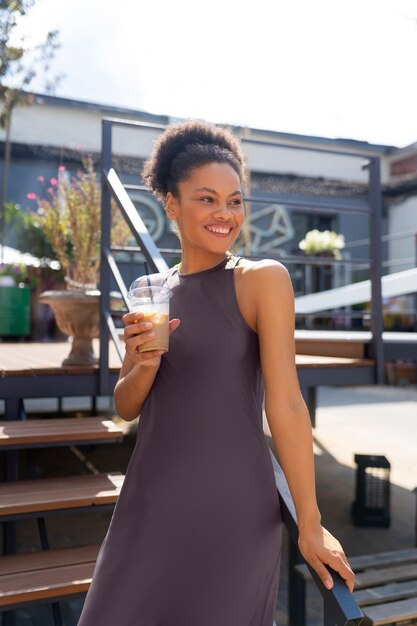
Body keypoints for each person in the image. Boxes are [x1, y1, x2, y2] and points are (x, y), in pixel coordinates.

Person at [77, 120, 354, 626]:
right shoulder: (148, 289)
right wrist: (144, 363)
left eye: (235, 200)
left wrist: (310, 522)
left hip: (233, 506)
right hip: (150, 500)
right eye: (206, 199)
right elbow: (125, 406)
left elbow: (287, 403)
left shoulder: (262, 280)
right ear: (172, 205)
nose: (225, 213)